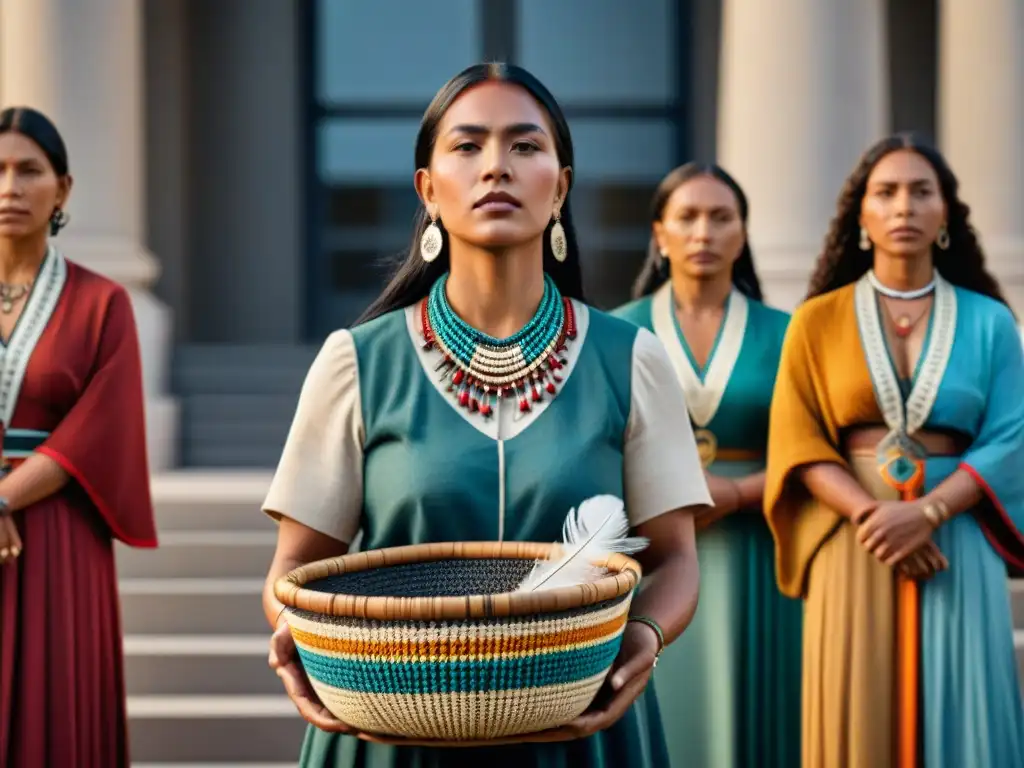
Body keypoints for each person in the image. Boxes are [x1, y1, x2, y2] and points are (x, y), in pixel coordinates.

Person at [261, 62, 711, 768]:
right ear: (428, 190)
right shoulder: (355, 361)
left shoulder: (631, 358)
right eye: (467, 147)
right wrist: (294, 640)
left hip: (583, 728)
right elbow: (294, 569)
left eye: (525, 147)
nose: (496, 166)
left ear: (560, 187)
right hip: (393, 732)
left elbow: (676, 557)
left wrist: (643, 639)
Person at [765, 133, 1024, 768]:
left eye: (920, 191)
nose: (903, 205)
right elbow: (799, 438)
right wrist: (872, 516)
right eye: (885, 192)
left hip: (954, 536)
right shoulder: (815, 320)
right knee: (857, 713)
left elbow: (1013, 435)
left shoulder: (991, 321)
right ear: (861, 216)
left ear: (945, 216)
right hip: (855, 537)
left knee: (967, 713)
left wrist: (927, 513)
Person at [613, 163, 801, 768]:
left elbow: (816, 452)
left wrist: (740, 493)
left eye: (721, 218)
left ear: (742, 234)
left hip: (760, 548)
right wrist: (678, 502)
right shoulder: (614, 333)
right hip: (650, 553)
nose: (704, 232)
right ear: (659, 234)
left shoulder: (788, 333)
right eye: (687, 217)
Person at [0, 107, 157, 767]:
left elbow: (101, 427)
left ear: (62, 189)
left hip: (54, 531)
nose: (9, 186)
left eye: (28, 171)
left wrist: (4, 498)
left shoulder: (102, 303)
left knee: (55, 716)